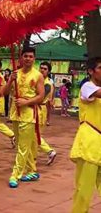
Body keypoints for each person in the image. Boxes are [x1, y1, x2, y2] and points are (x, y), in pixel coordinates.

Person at [3, 47, 44, 188]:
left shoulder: (38, 75)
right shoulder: (15, 74)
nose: (28, 58)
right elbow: (5, 92)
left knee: (23, 146)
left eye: (31, 56)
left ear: (34, 59)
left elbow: (41, 96)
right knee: (22, 144)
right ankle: (32, 170)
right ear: (21, 58)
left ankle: (16, 174)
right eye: (25, 56)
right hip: (15, 112)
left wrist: (26, 102)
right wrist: (10, 80)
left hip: (29, 114)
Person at [70, 57, 101, 213]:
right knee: (84, 189)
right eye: (100, 67)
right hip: (89, 143)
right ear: (90, 71)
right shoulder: (87, 86)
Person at [39, 62, 57, 165]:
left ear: (48, 71)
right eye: (41, 68)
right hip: (39, 109)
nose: (42, 70)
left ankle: (49, 151)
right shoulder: (40, 81)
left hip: (40, 109)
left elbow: (40, 97)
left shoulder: (47, 83)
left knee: (35, 135)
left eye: (45, 69)